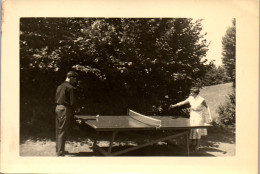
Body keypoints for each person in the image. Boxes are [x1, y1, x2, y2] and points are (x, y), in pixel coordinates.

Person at [55, 71, 78, 156]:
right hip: (64, 109)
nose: (75, 81)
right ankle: (60, 152)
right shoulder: (70, 87)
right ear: (71, 77)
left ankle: (58, 149)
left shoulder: (59, 86)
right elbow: (72, 102)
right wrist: (76, 111)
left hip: (57, 108)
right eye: (75, 79)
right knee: (63, 130)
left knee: (58, 129)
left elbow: (56, 98)